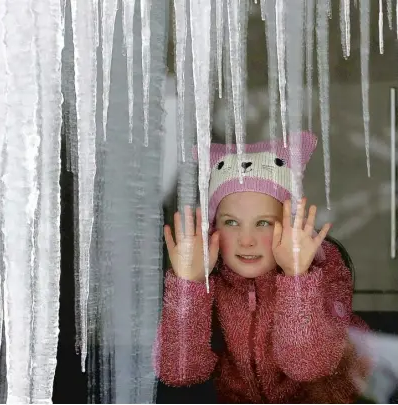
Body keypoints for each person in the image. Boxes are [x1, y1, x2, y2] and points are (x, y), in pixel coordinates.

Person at [153, 132, 369, 403]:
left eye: (263, 222)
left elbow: (308, 365)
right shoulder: (215, 278)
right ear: (214, 228)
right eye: (231, 222)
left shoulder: (322, 272)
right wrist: (189, 285)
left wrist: (297, 278)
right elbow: (179, 372)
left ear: (289, 225)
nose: (246, 240)